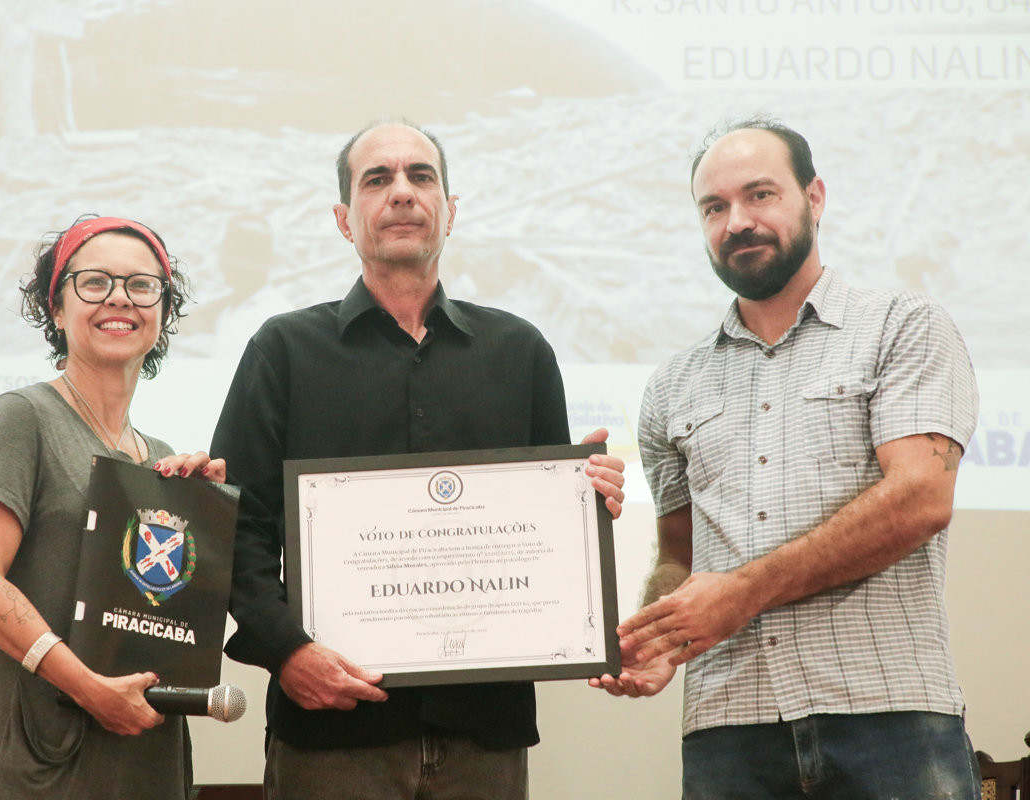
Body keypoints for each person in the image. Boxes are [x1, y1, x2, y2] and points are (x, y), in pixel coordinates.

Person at [210, 121, 627, 800]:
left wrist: (587, 501)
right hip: (333, 729)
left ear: (450, 210)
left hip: (483, 734)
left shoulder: (521, 351)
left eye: (420, 176)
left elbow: (556, 531)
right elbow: (236, 526)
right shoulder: (284, 350)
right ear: (345, 220)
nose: (401, 192)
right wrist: (287, 651)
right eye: (377, 179)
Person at [591, 117, 982, 799]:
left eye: (760, 194)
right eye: (714, 207)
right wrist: (658, 641)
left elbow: (922, 499)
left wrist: (738, 596)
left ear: (815, 197)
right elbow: (679, 556)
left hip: (889, 715)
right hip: (729, 727)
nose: (737, 220)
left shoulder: (903, 327)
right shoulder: (670, 385)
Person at [0, 215, 226, 799]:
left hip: (142, 759)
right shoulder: (24, 418)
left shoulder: (164, 461)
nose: (119, 299)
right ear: (56, 307)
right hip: (35, 757)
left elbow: (164, 617)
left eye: (142, 285)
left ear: (164, 312)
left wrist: (207, 516)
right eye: (94, 282)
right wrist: (86, 687)